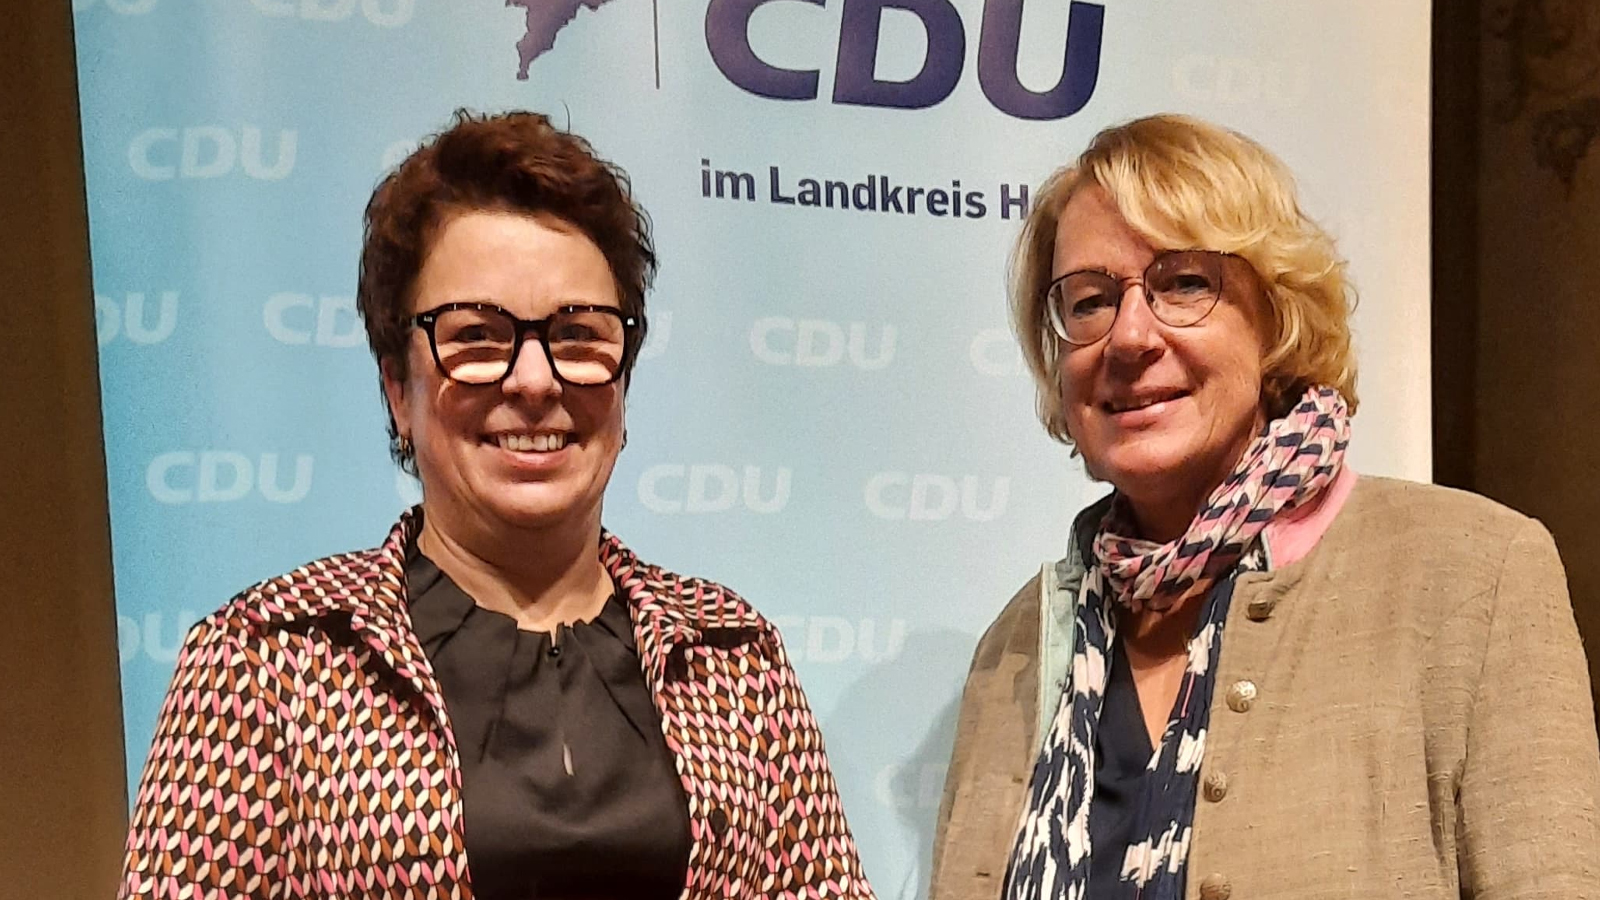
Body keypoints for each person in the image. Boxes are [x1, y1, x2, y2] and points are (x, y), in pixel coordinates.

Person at [120, 110, 875, 900]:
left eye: (579, 336)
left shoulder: (733, 657)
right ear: (397, 388)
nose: (535, 380)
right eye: (477, 336)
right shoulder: (267, 661)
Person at [929, 114, 1600, 900]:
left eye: (1185, 283)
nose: (1130, 336)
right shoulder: (1017, 643)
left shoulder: (1473, 577)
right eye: (1088, 301)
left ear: (1276, 316)